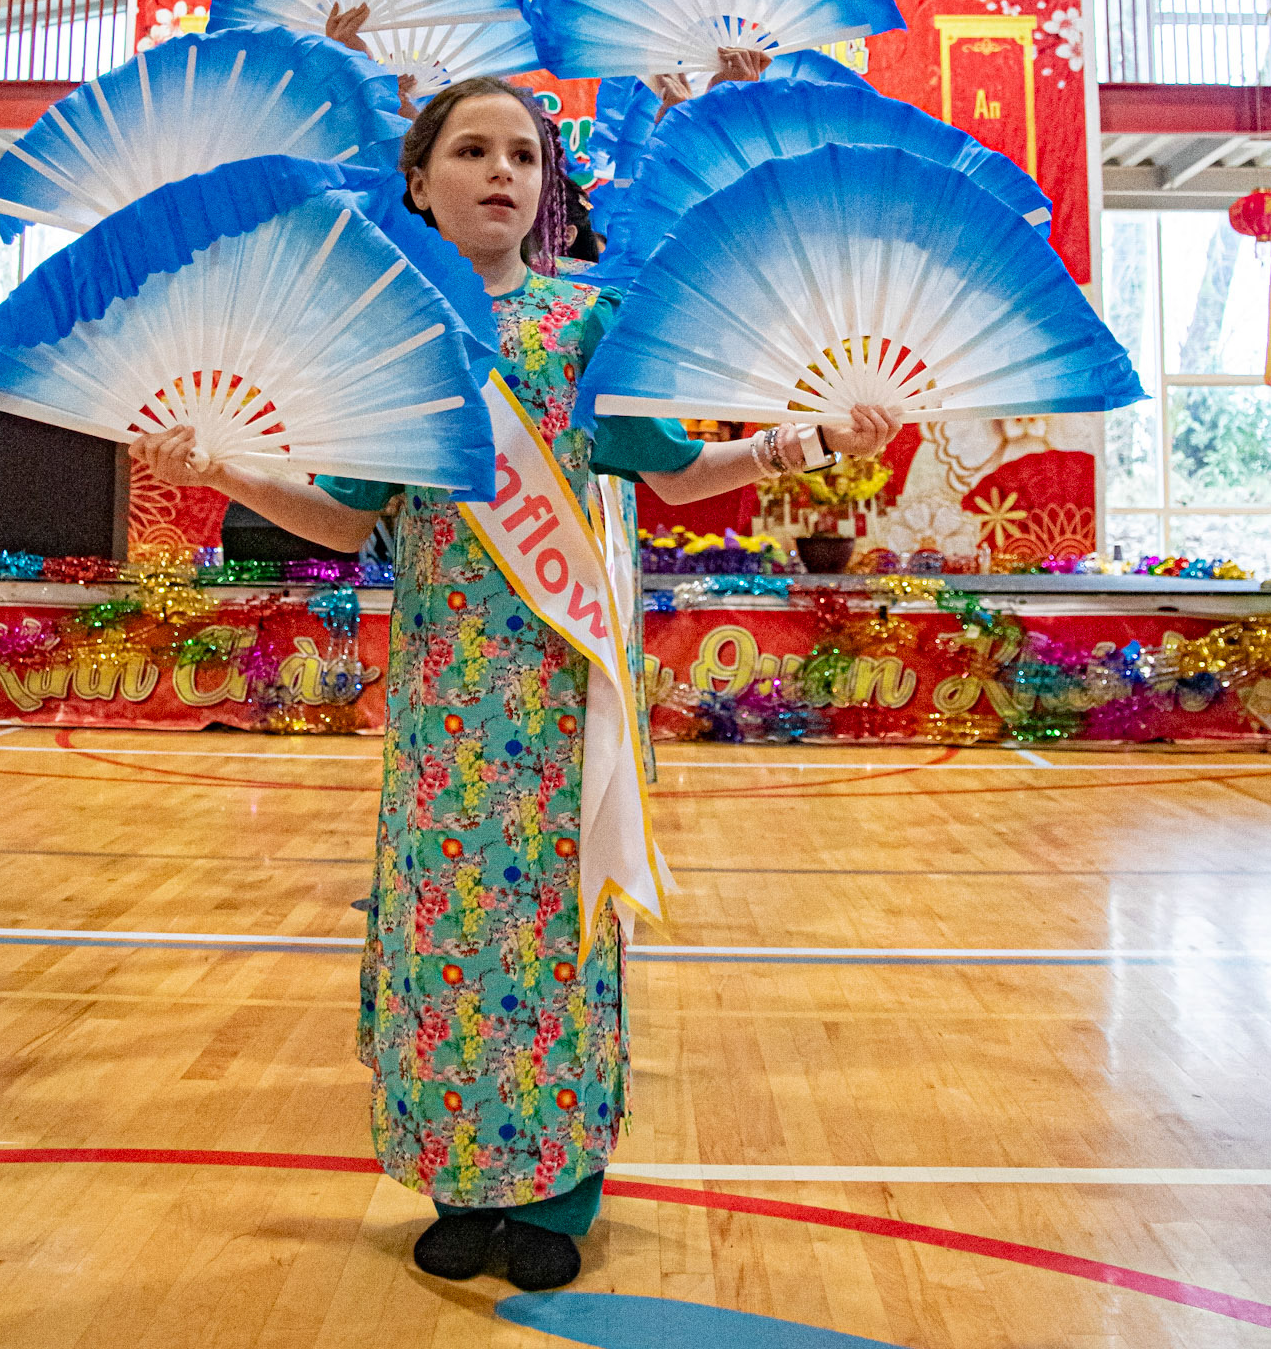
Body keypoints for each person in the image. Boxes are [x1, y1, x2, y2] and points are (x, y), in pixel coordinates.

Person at [131, 76, 900, 1292]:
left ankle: (556, 1186)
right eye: (473, 149)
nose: (502, 171)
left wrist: (807, 438)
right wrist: (218, 466)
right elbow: (342, 517)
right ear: (418, 179)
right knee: (445, 925)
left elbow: (679, 472)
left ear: (545, 187)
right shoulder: (385, 341)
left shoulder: (589, 325)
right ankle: (457, 1182)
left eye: (525, 156)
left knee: (555, 931)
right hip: (443, 700)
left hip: (562, 688)